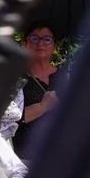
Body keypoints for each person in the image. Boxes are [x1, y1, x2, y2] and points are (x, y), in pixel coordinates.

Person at [14, 21, 60, 155]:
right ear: (24, 44)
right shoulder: (15, 78)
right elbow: (10, 117)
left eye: (47, 39)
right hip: (24, 155)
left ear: (54, 46)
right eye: (34, 39)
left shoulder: (66, 76)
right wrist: (43, 106)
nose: (40, 44)